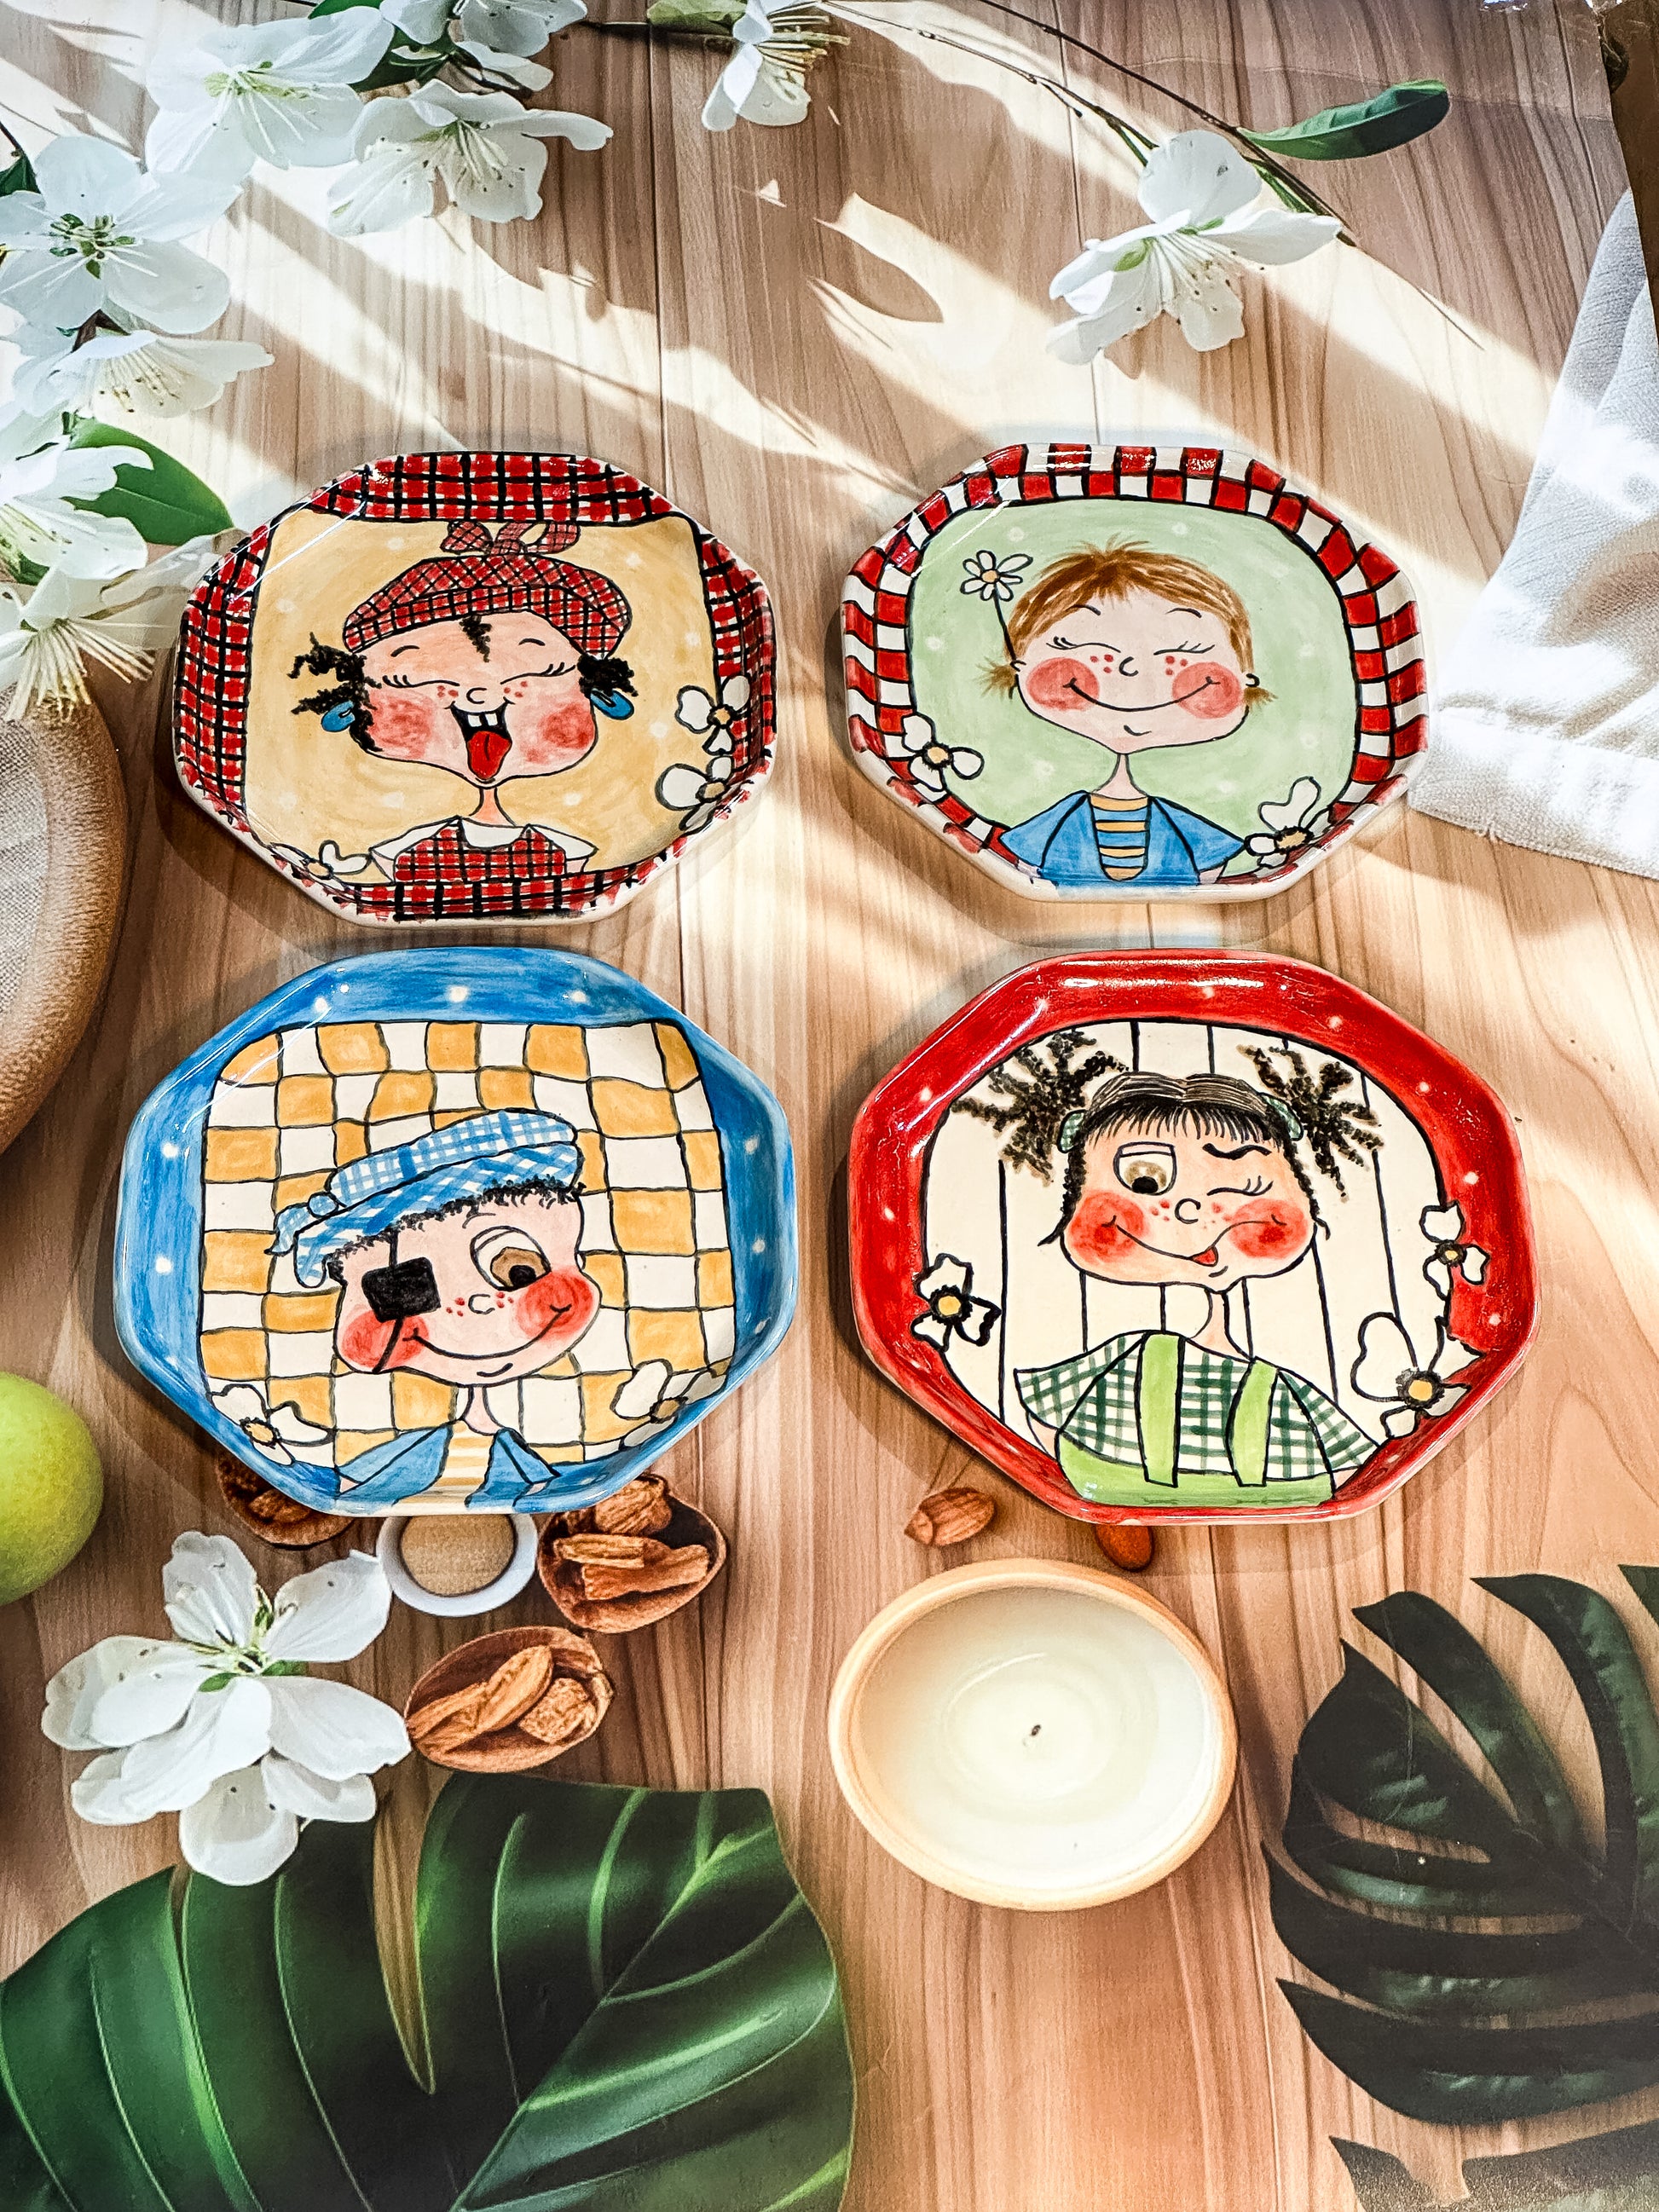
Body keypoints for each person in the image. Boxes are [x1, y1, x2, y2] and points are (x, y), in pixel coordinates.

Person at [1009, 1059, 1379, 1508]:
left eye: (1245, 1184)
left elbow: (1351, 1467)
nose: (1189, 1209)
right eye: (1146, 1181)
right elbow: (1045, 1418)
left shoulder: (1284, 1386)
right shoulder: (1122, 1361)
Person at [268, 1108, 602, 1509]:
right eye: (410, 1290)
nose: (479, 1304)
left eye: (518, 1270)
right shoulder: (390, 1458)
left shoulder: (536, 1459)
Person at [286, 517, 637, 887]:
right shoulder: (399, 850)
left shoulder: (569, 851)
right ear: (357, 702)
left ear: (596, 692)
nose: (478, 695)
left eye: (541, 669)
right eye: (412, 679)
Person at [987, 542, 1269, 889]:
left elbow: (1209, 864)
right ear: (1019, 668)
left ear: (1245, 680)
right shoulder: (1051, 821)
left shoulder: (1192, 827)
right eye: (1086, 650)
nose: (1131, 670)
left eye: (1181, 653)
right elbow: (1027, 860)